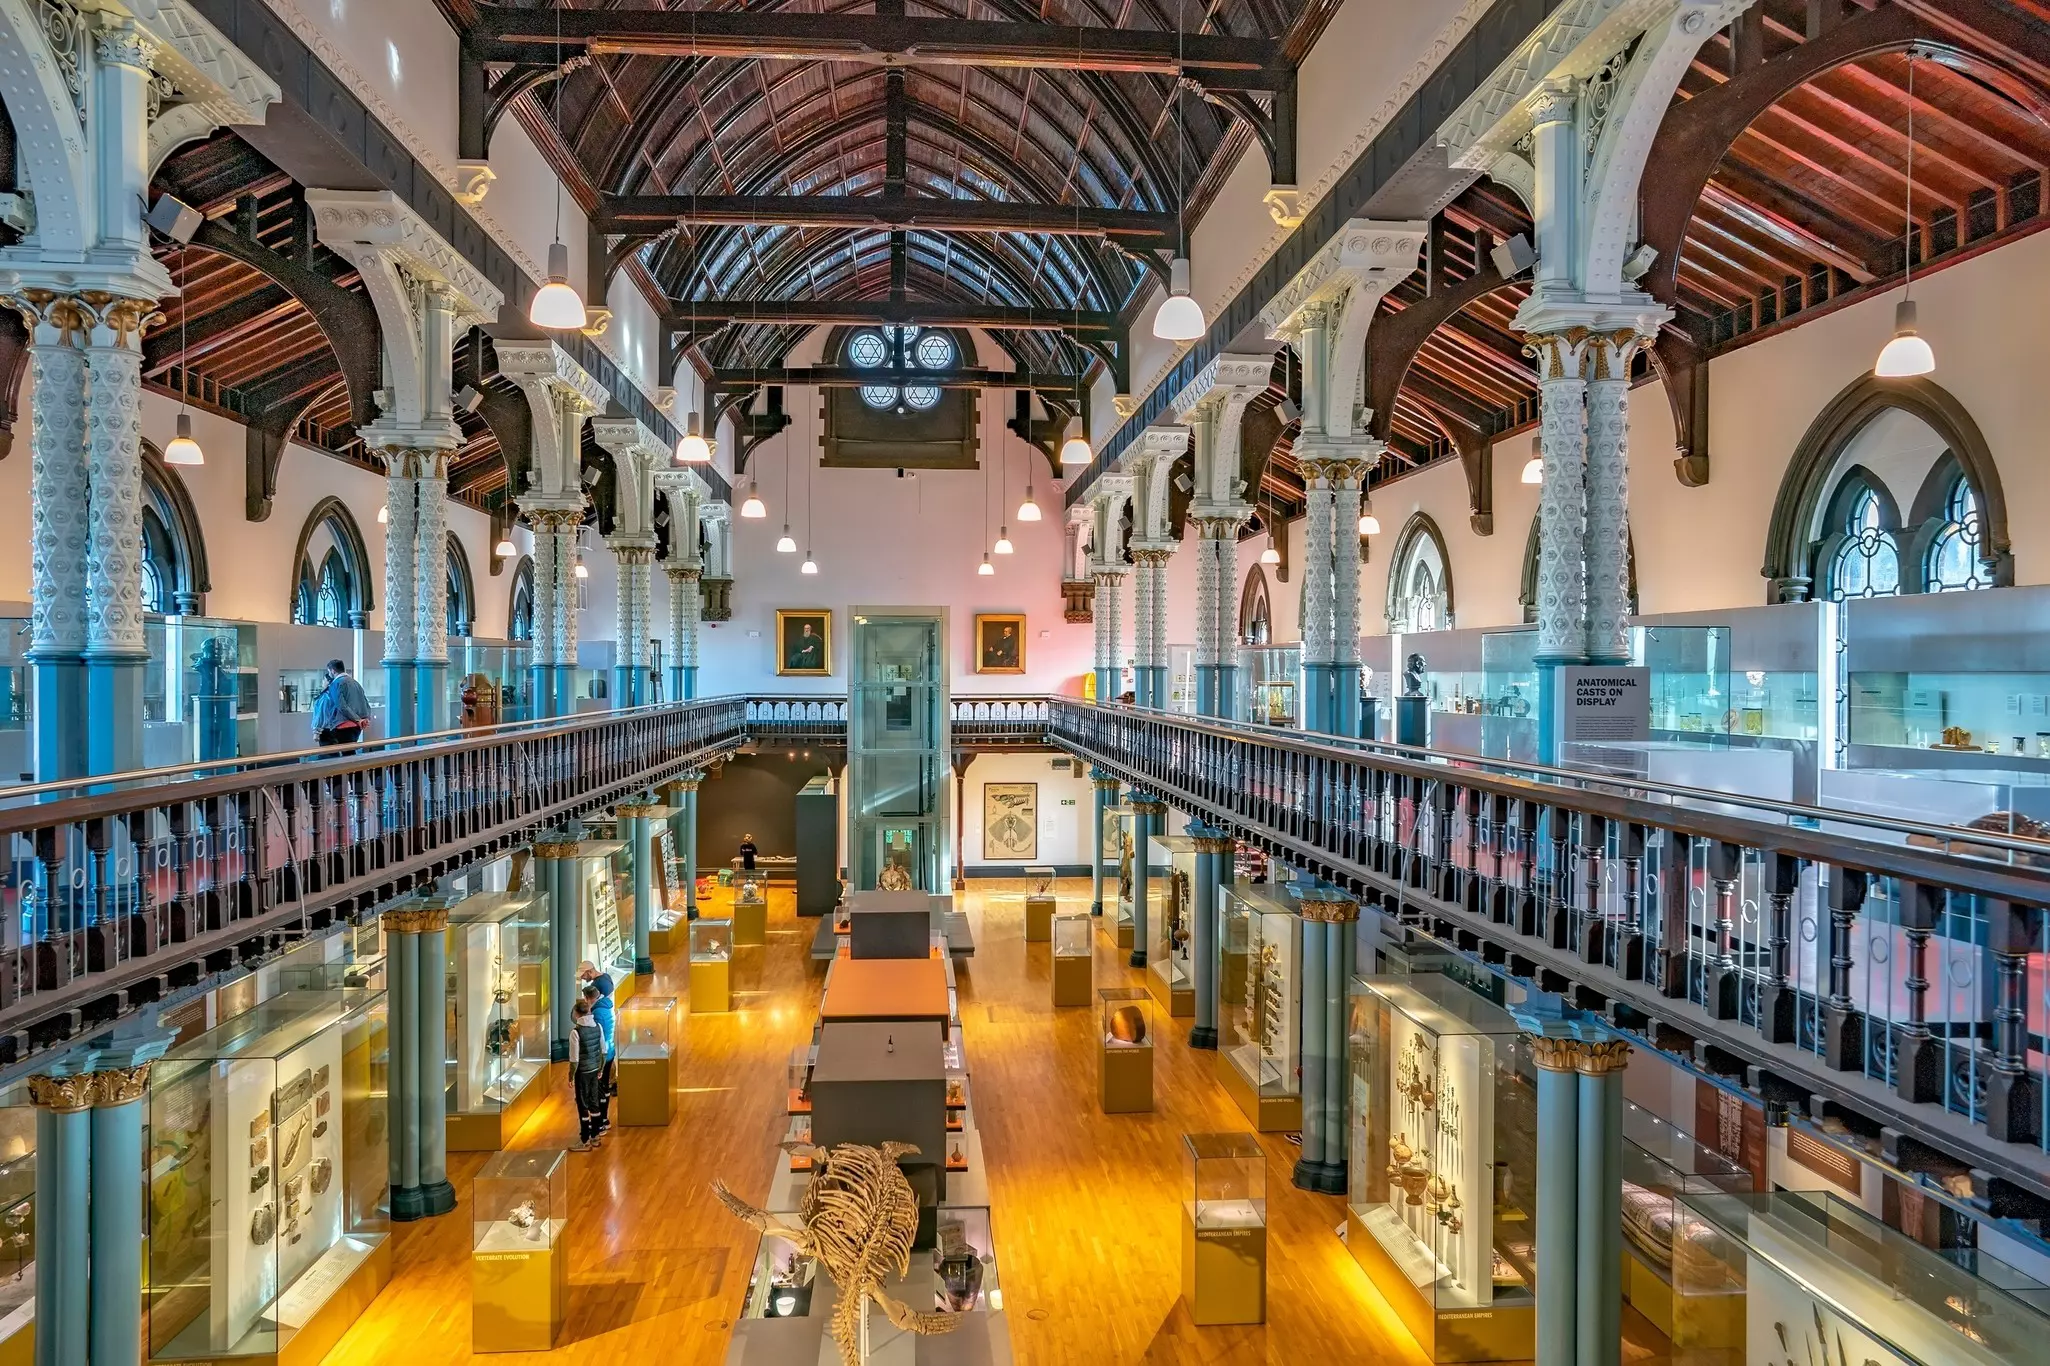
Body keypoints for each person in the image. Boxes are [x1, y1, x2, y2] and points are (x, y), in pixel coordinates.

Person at [569, 1000, 607, 1150]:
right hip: (594, 1071)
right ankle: (595, 1136)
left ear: (577, 1013)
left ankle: (584, 1139)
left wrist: (570, 1076)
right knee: (594, 1102)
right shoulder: (598, 1027)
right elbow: (603, 1050)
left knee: (582, 1105)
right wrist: (600, 1069)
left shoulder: (575, 1032)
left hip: (582, 1073)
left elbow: (574, 1059)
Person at [310, 659, 371, 746]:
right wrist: (364, 719)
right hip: (356, 728)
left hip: (342, 725)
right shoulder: (355, 683)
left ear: (333, 670)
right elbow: (365, 703)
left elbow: (341, 705)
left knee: (337, 755)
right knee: (350, 753)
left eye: (329, 671)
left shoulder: (336, 684)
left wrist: (357, 720)